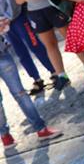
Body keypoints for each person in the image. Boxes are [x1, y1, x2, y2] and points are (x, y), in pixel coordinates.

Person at [9, 0, 71, 90]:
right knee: (49, 44)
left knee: (69, 37)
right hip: (35, 12)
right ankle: (61, 74)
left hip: (52, 7)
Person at [0, 14, 61, 148]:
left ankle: (39, 129)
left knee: (20, 93)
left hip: (2, 54)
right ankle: (5, 135)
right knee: (18, 94)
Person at [0, 0, 54, 95]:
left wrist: (8, 17)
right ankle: (36, 79)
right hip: (3, 25)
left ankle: (54, 71)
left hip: (17, 17)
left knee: (34, 44)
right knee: (20, 53)